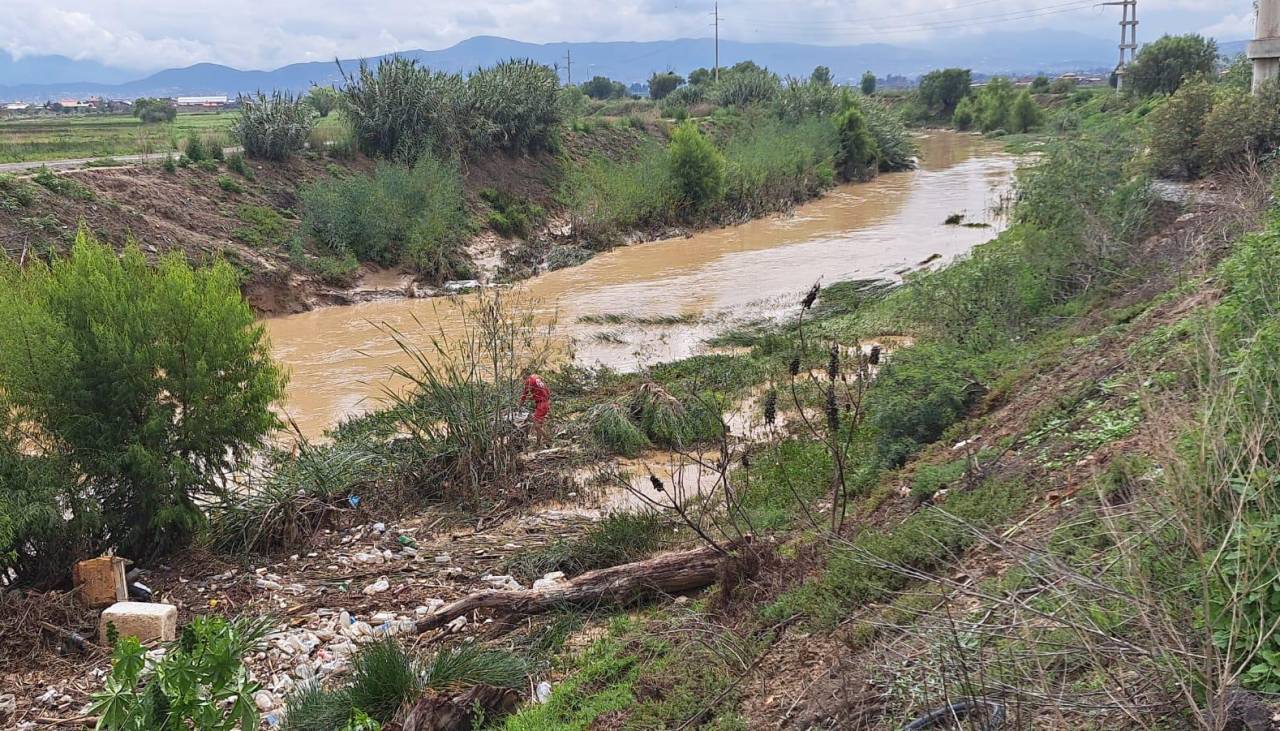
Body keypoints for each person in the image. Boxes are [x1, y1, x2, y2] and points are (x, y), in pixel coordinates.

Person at [520, 370, 552, 445]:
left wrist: (519, 405)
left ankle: (549, 440)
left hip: (541, 404)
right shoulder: (536, 377)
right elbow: (545, 391)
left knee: (537, 425)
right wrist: (533, 397)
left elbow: (524, 395)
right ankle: (538, 443)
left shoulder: (529, 381)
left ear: (524, 377)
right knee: (539, 425)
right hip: (545, 402)